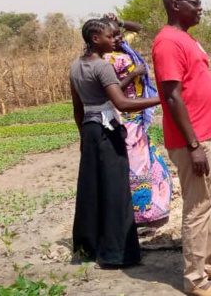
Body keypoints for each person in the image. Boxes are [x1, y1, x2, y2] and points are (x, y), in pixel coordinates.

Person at [152, 0, 211, 296]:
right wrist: (194, 145)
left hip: (206, 132)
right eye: (194, 3)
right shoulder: (168, 43)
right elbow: (172, 97)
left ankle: (206, 264)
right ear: (175, 5)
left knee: (207, 200)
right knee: (197, 206)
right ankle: (195, 280)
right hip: (193, 140)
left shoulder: (186, 38)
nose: (200, 8)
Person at [69, 19, 160, 268]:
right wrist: (160, 100)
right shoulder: (102, 66)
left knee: (92, 187)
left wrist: (83, 136)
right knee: (116, 191)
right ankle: (117, 253)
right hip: (108, 130)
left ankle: (88, 246)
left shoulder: (76, 66)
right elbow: (121, 103)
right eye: (110, 36)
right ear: (96, 39)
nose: (114, 40)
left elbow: (78, 108)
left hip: (90, 129)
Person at [102, 13, 173, 227]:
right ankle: (140, 215)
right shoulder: (105, 60)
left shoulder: (123, 48)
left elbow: (138, 27)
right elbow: (112, 92)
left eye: (119, 34)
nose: (119, 38)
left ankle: (151, 209)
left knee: (150, 162)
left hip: (137, 115)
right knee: (136, 163)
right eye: (113, 35)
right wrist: (133, 75)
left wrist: (121, 21)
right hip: (126, 114)